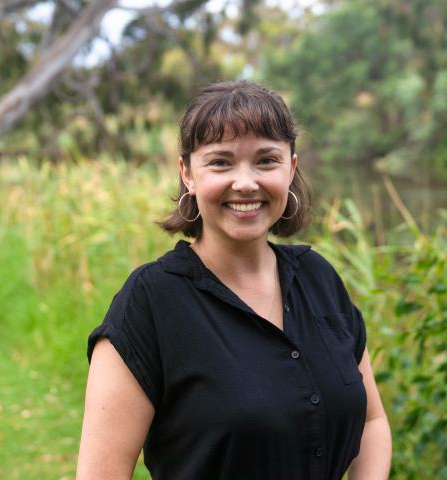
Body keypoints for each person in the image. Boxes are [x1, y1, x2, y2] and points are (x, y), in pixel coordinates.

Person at [77, 80, 392, 480]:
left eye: (266, 160)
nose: (246, 182)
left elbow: (371, 421)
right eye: (221, 162)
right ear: (187, 174)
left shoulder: (319, 278)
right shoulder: (150, 303)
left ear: (291, 169)